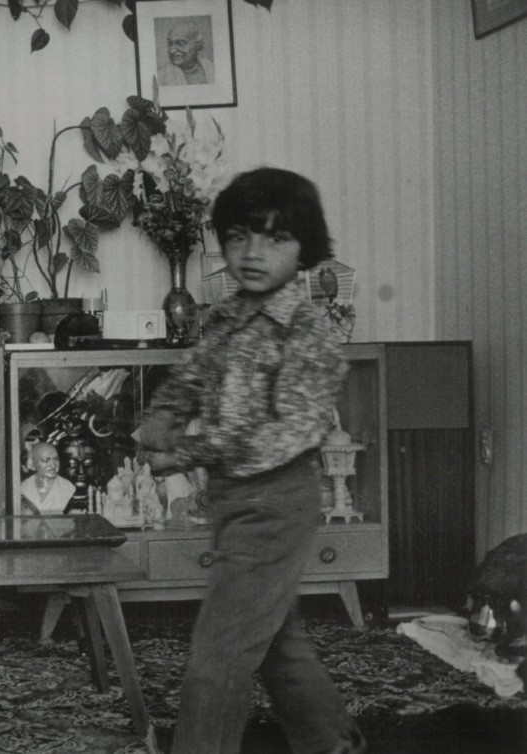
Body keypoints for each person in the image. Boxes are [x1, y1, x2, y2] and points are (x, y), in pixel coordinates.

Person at [135, 167, 365, 754]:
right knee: (276, 645)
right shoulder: (222, 318)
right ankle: (332, 742)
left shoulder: (310, 332)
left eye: (273, 237)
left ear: (305, 247)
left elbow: (260, 437)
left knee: (219, 657)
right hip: (233, 498)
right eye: (238, 237)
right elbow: (191, 377)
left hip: (278, 500)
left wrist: (179, 453)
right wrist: (159, 419)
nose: (252, 253)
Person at [18, 442, 76, 514]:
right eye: (46, 460)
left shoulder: (68, 488)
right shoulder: (23, 487)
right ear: (32, 463)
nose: (52, 465)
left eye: (56, 459)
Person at [157, 19, 215, 86]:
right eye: (170, 44)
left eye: (180, 43)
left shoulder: (212, 69)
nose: (171, 50)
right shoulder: (161, 76)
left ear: (197, 45)